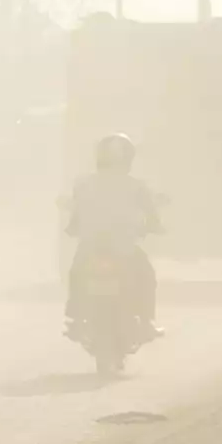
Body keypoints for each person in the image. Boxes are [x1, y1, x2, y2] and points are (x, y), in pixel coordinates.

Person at [64, 133, 164, 340]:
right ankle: (146, 322)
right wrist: (155, 227)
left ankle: (75, 319)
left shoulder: (83, 183)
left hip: (90, 246)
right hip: (124, 246)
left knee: (76, 274)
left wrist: (72, 229)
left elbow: (75, 218)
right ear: (128, 159)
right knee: (146, 276)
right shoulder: (136, 185)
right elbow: (152, 215)